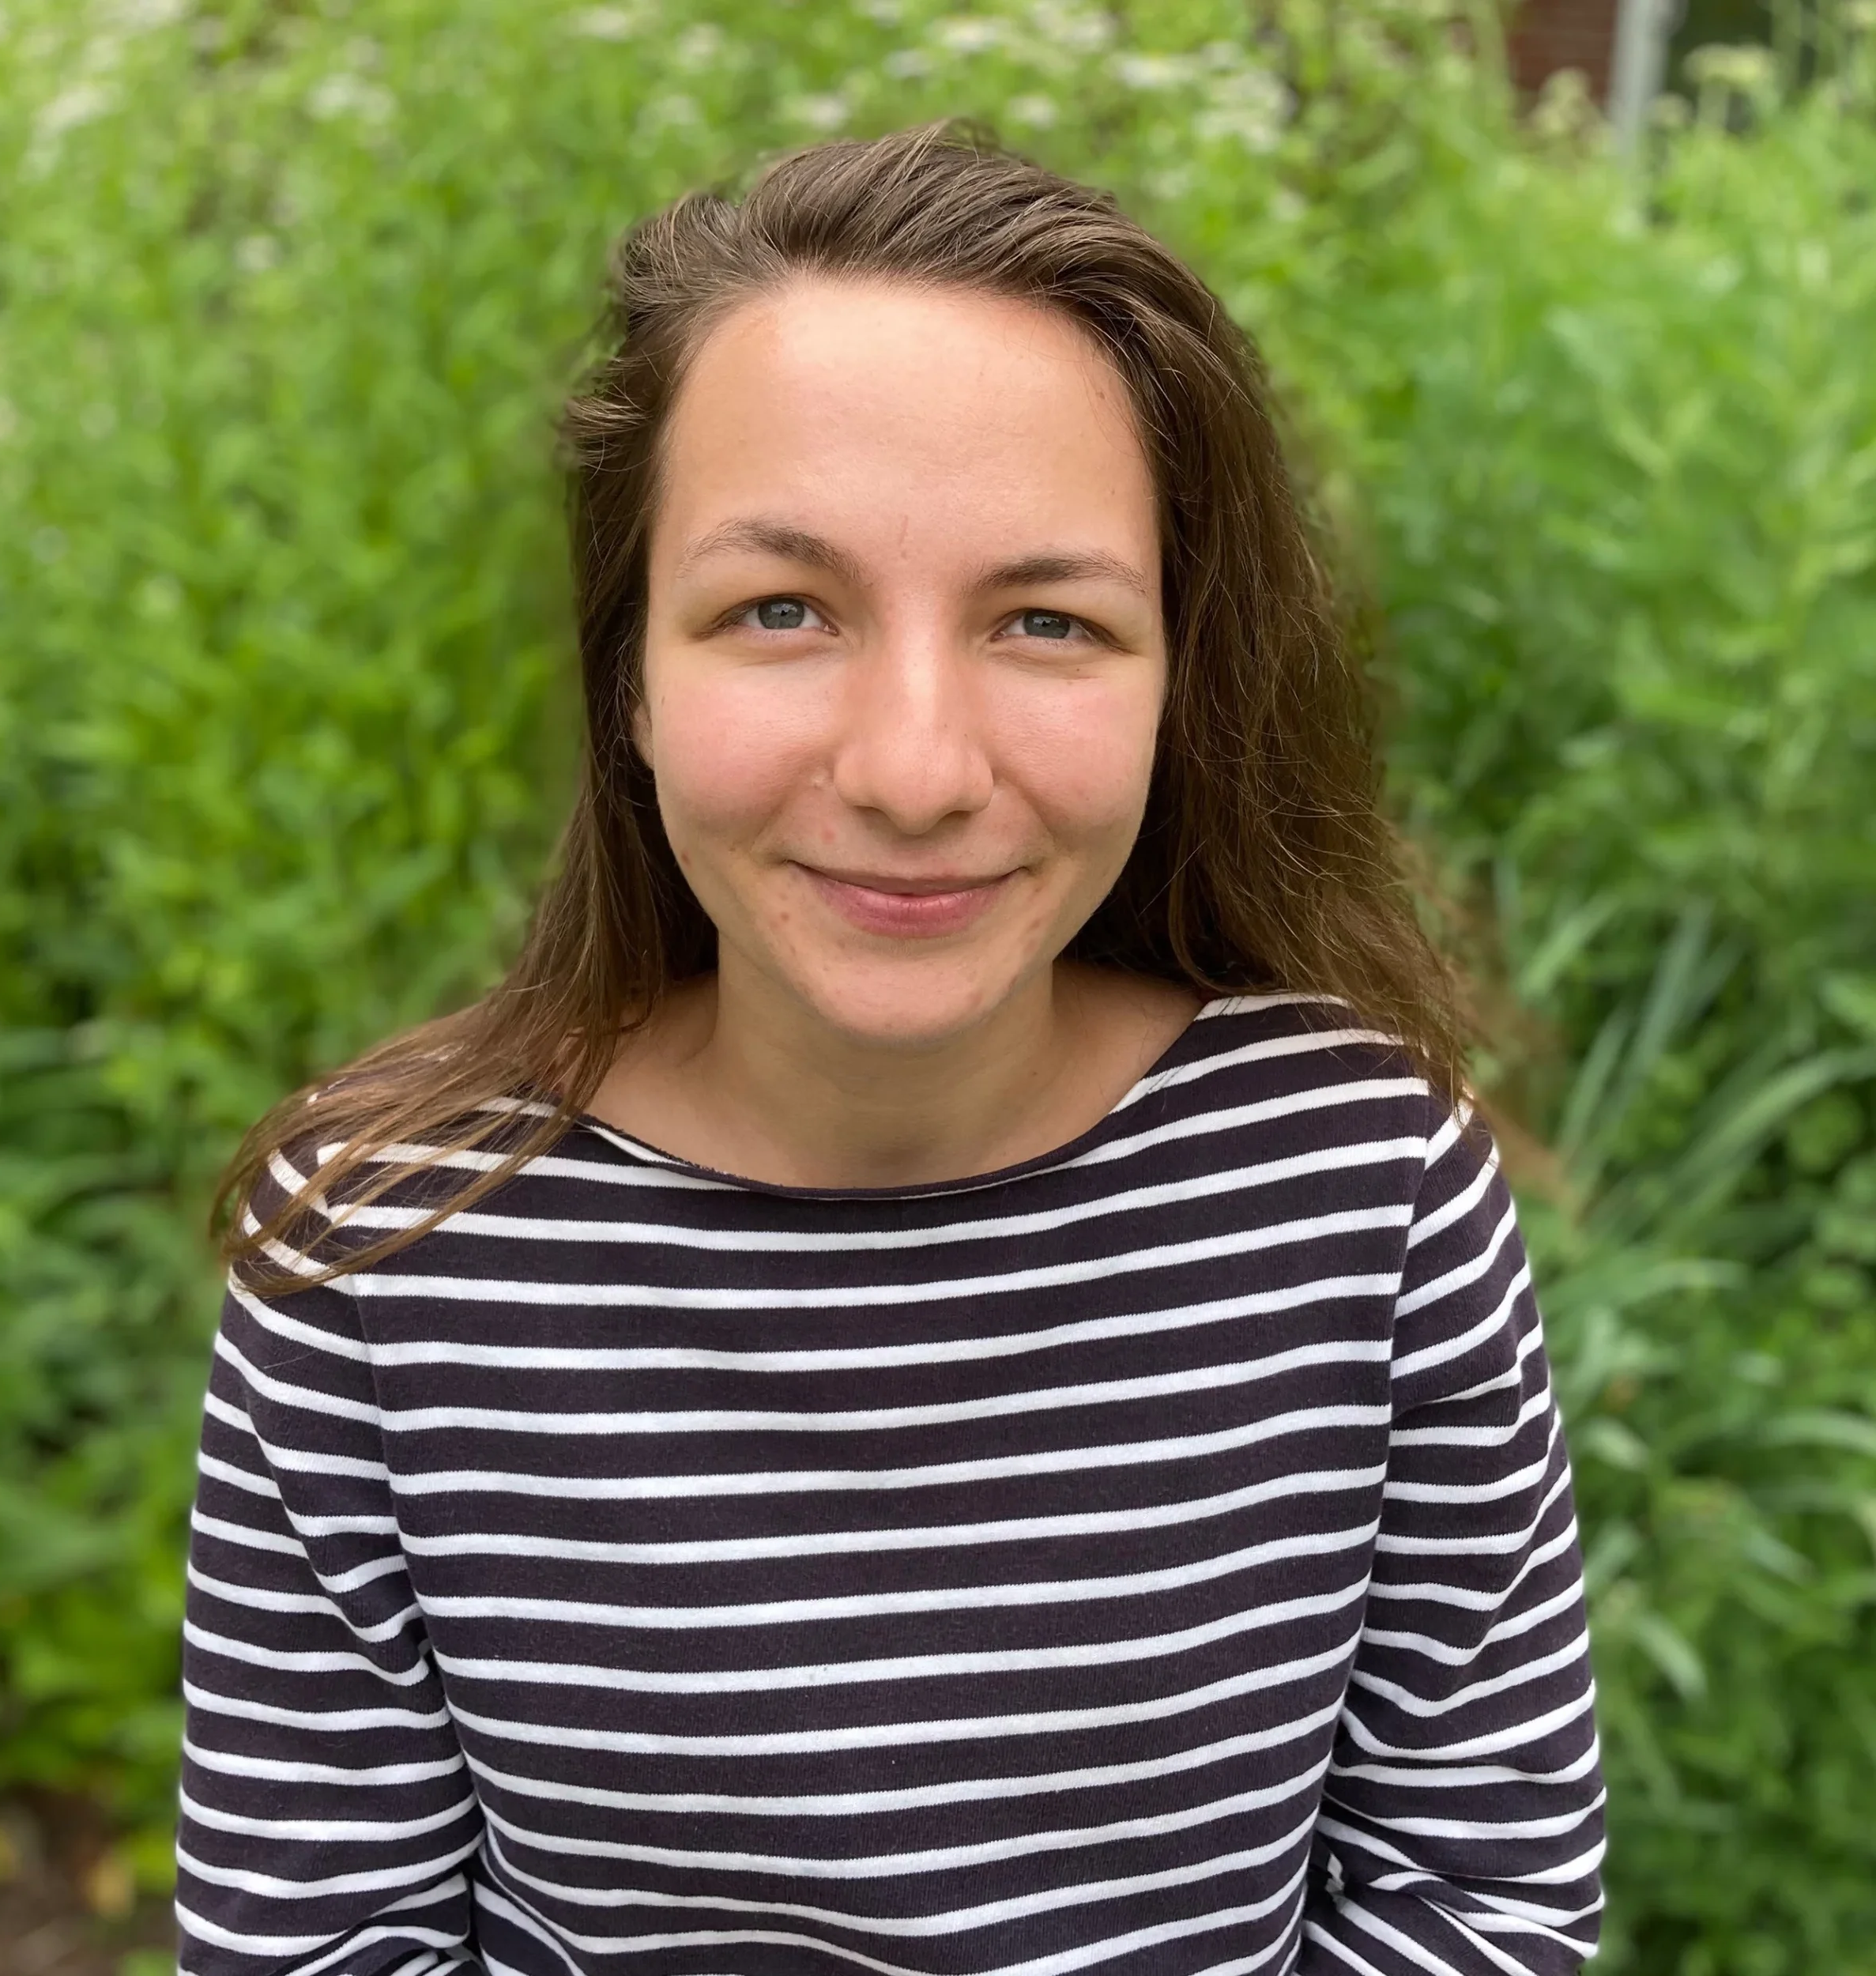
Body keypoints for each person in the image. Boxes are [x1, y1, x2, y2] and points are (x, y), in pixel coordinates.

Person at [179, 123, 1604, 1976]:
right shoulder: (381, 1254)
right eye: (782, 608)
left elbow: (1475, 1901)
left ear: (1179, 677)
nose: (914, 769)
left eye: (1044, 619)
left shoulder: (1360, 1189)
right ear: (630, 672)